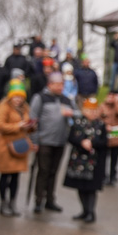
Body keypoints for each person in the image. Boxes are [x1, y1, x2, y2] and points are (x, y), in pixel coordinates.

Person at [29, 72, 74, 213]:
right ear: (50, 84)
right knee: (43, 171)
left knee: (54, 172)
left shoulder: (66, 100)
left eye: (62, 84)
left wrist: (71, 114)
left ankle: (50, 199)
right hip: (44, 141)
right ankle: (38, 200)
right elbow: (33, 120)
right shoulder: (41, 98)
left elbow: (78, 113)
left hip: (60, 142)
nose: (60, 87)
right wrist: (35, 140)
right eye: (58, 84)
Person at [64, 97, 108, 223]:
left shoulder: (100, 125)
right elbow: (71, 138)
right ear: (84, 110)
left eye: (95, 110)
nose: (92, 113)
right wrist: (81, 142)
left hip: (94, 162)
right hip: (79, 161)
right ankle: (84, 210)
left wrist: (92, 142)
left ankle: (91, 212)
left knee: (91, 189)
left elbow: (105, 143)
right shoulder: (78, 123)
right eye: (89, 110)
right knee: (80, 187)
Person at [0, 80, 34, 217]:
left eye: (21, 97)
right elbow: (0, 126)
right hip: (6, 146)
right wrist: (18, 126)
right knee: (5, 176)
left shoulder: (25, 107)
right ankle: (3, 203)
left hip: (20, 146)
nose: (18, 99)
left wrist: (31, 126)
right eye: (16, 96)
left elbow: (28, 124)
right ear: (11, 96)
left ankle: (13, 203)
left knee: (16, 177)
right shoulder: (4, 106)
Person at [101, 91, 118, 185]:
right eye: (109, 97)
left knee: (114, 158)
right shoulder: (102, 106)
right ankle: (103, 176)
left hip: (116, 137)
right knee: (104, 158)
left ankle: (112, 176)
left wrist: (117, 102)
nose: (111, 99)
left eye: (113, 97)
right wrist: (105, 126)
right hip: (106, 136)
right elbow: (98, 118)